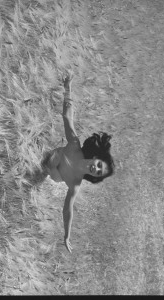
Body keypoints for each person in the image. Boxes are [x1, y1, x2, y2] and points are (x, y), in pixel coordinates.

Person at [30, 71, 115, 253]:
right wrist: (67, 89)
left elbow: (68, 210)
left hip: (41, 174)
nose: (96, 168)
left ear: (94, 176)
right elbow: (68, 117)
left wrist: (66, 235)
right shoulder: (75, 146)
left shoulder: (75, 184)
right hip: (41, 157)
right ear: (96, 158)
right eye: (100, 164)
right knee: (43, 155)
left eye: (98, 172)